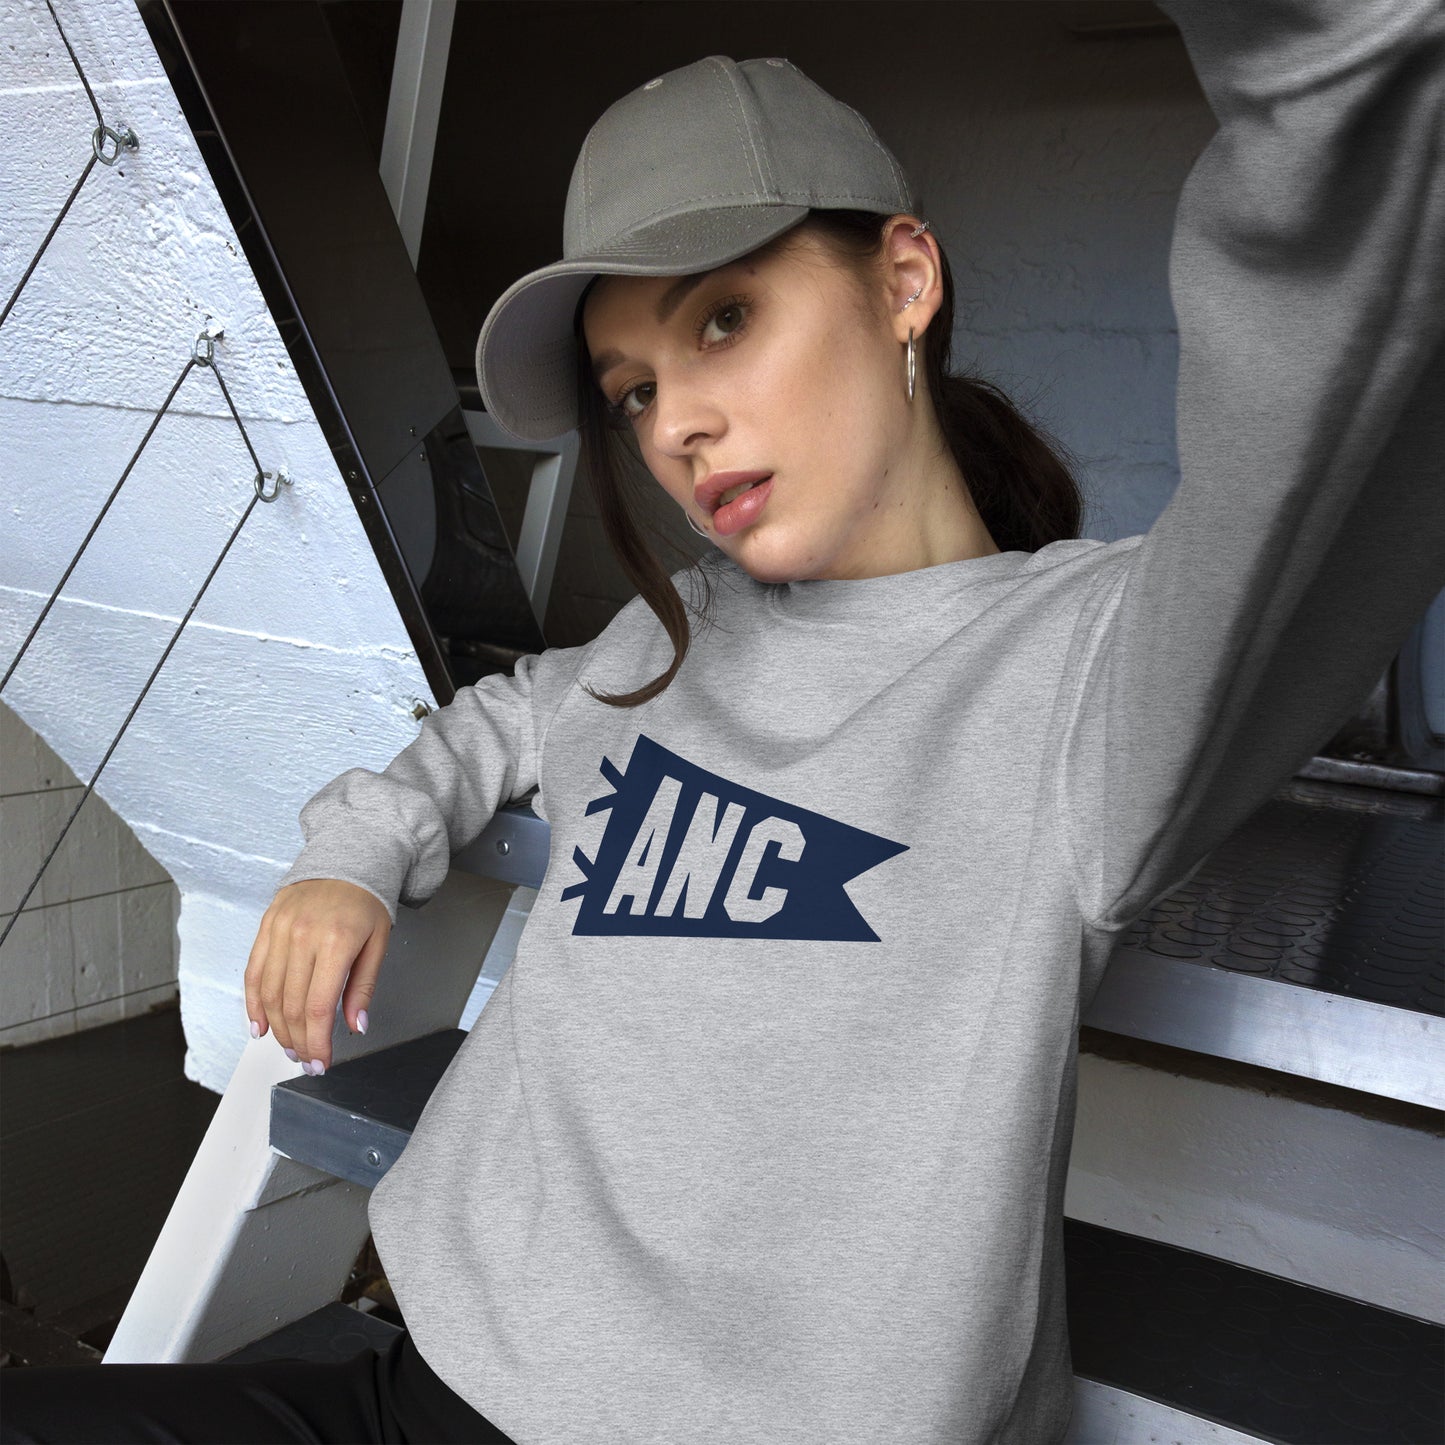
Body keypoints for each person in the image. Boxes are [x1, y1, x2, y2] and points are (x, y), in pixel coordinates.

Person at [6, 1, 1443, 1441]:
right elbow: (500, 717)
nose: (674, 425)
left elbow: (1344, 310)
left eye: (725, 319)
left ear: (903, 282)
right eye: (633, 389)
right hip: (436, 1383)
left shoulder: (1092, 675)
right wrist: (352, 854)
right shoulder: (669, 632)